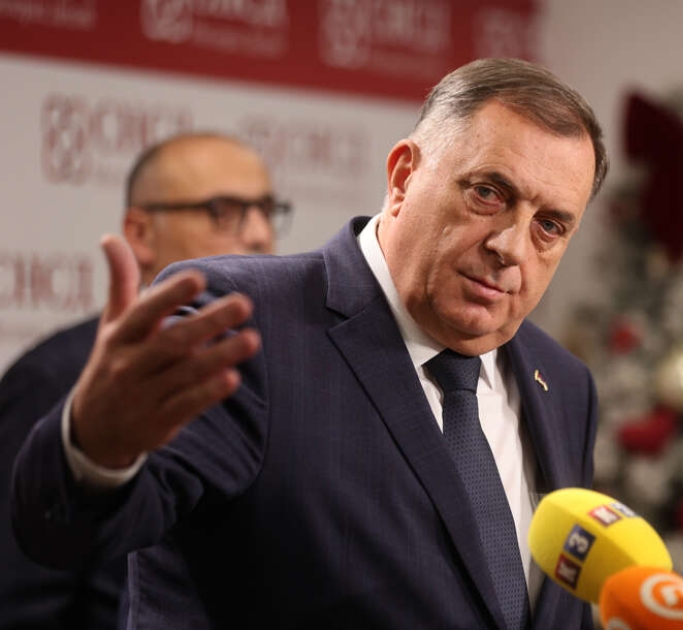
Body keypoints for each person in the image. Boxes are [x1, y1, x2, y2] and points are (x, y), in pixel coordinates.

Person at [11, 58, 608, 629]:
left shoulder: (564, 384)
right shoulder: (242, 323)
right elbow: (72, 534)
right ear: (403, 177)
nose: (511, 246)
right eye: (488, 193)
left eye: (549, 225)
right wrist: (95, 454)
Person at [0, 131, 290, 630]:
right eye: (224, 212)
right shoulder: (55, 379)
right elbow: (21, 604)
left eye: (266, 209)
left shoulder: (278, 371)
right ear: (140, 234)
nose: (260, 235)